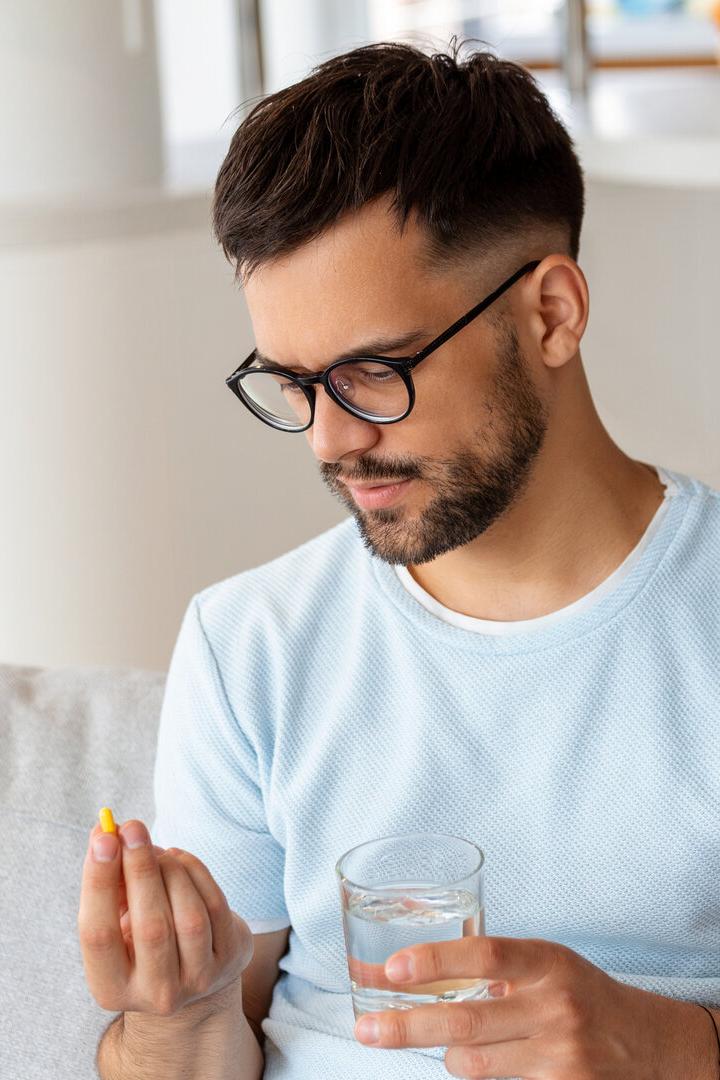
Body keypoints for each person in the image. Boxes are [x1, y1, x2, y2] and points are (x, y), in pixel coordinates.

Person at [80, 40, 720, 1080]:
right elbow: (199, 1055)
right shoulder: (250, 648)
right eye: (294, 383)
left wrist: (676, 1047)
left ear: (550, 313)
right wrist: (175, 1016)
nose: (332, 441)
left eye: (373, 372)